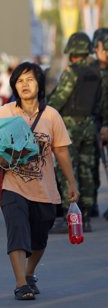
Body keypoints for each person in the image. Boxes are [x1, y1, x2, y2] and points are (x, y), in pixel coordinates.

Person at [0, 62, 79, 300]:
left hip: (45, 189)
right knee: (17, 231)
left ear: (40, 84)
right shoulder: (6, 111)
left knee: (40, 238)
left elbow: (62, 151)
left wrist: (72, 183)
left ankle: (29, 272)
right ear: (14, 85)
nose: (25, 85)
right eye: (20, 80)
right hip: (13, 185)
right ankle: (21, 284)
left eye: (30, 79)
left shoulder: (51, 115)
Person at [48, 32, 101, 233]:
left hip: (69, 127)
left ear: (72, 52)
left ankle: (69, 215)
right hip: (89, 125)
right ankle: (85, 215)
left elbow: (59, 99)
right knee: (87, 171)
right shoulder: (95, 73)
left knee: (67, 170)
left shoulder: (71, 73)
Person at [93, 29, 108, 221]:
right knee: (91, 166)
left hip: (103, 124)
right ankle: (91, 203)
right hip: (94, 122)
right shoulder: (93, 69)